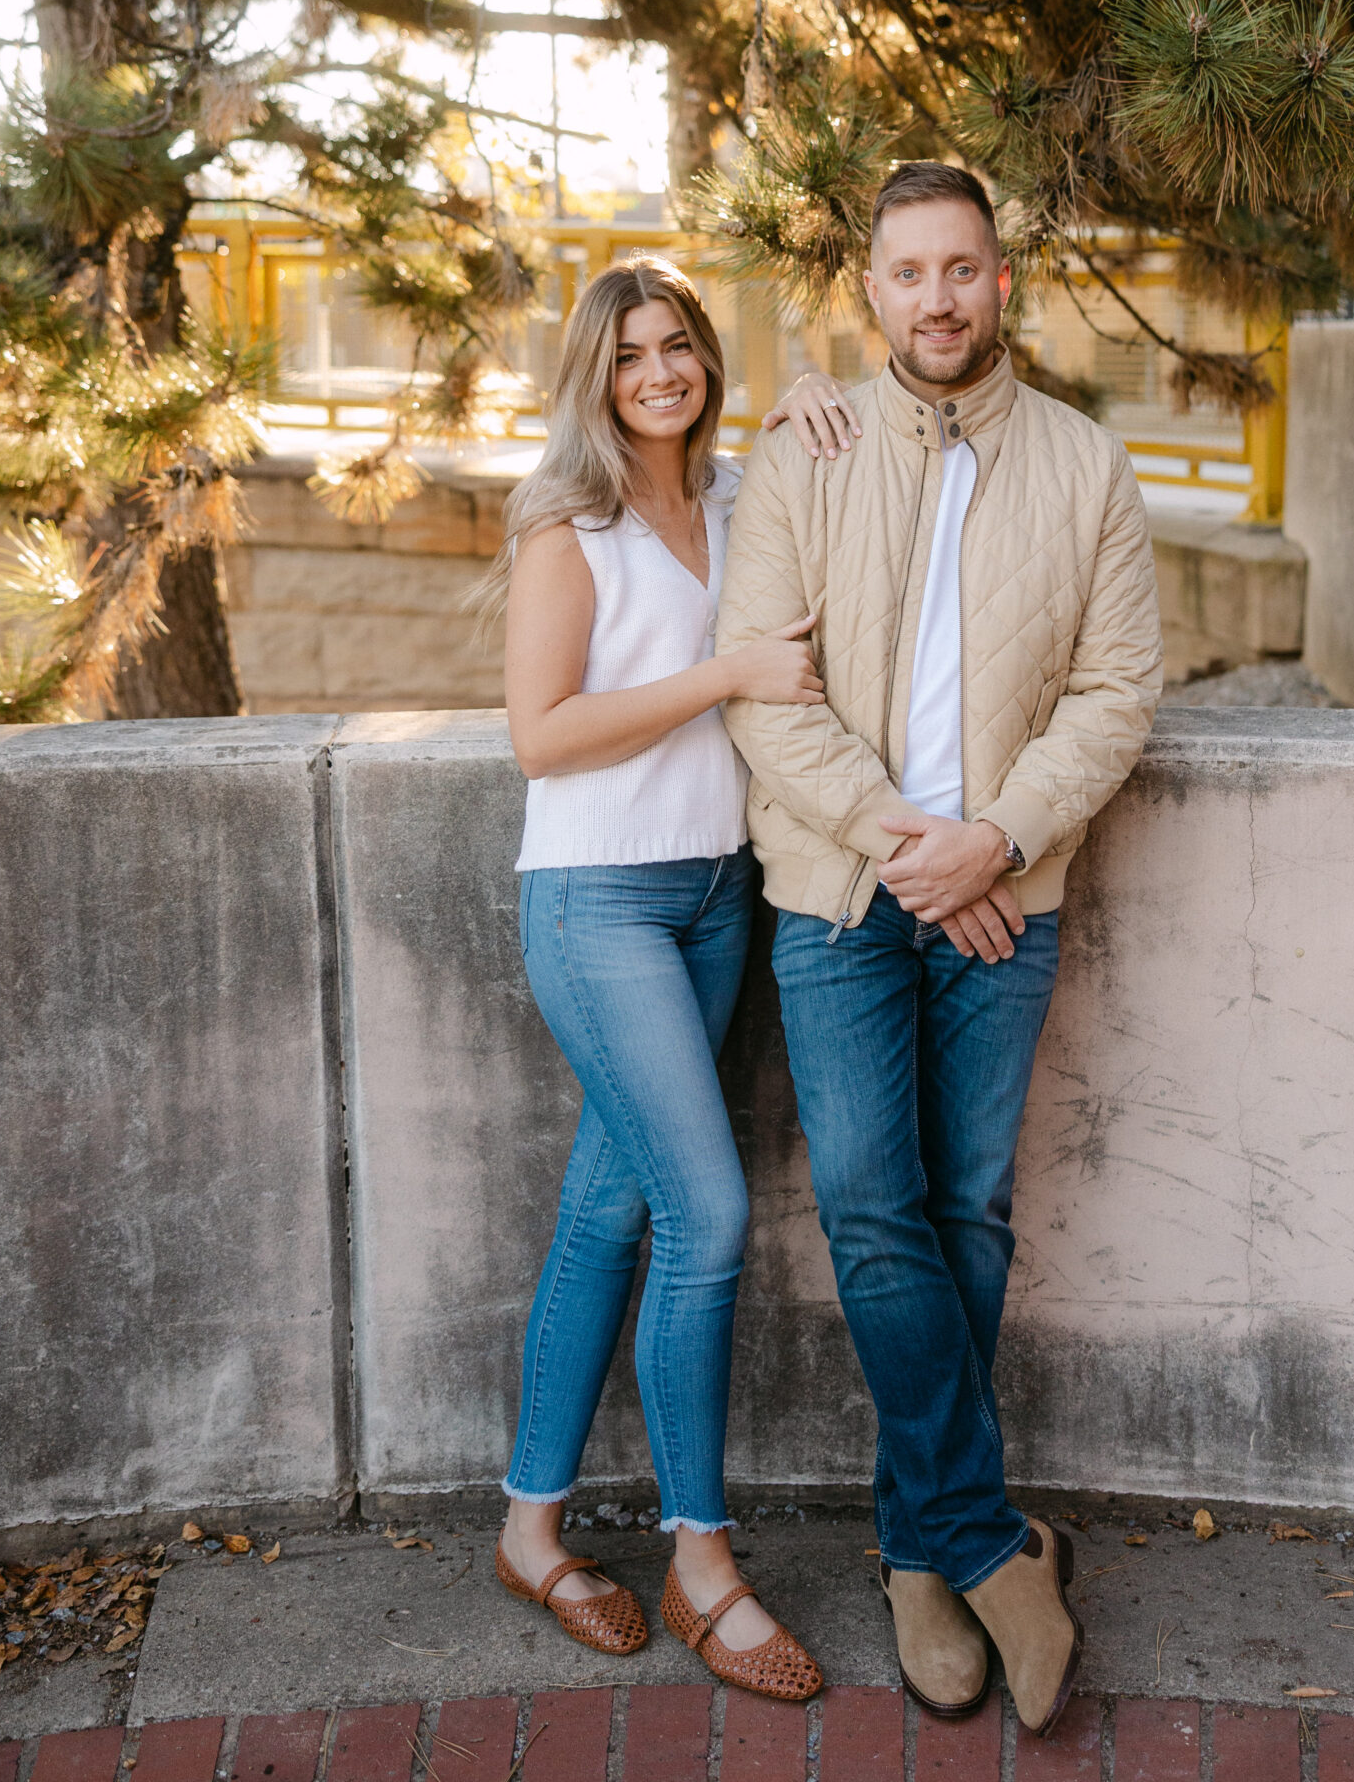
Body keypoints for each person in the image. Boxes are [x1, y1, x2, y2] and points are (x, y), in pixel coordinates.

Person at [715, 164, 1163, 1738]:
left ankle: (918, 1551)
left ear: (1000, 280)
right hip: (846, 896)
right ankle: (987, 1541)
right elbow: (763, 692)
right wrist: (924, 849)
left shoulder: (1086, 465)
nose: (937, 299)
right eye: (907, 273)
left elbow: (1117, 692)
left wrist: (1002, 841)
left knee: (967, 1209)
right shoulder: (806, 451)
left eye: (961, 269)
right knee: (868, 1204)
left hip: (1005, 902)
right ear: (871, 291)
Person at [485, 256, 846, 1705]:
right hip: (597, 903)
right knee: (705, 1214)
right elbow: (541, 735)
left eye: (679, 345)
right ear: (596, 373)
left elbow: (836, 487)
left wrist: (815, 396)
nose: (660, 373)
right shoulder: (567, 526)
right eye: (631, 354)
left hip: (715, 897)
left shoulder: (741, 496)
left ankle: (529, 1532)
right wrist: (727, 674)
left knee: (608, 1209)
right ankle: (704, 1562)